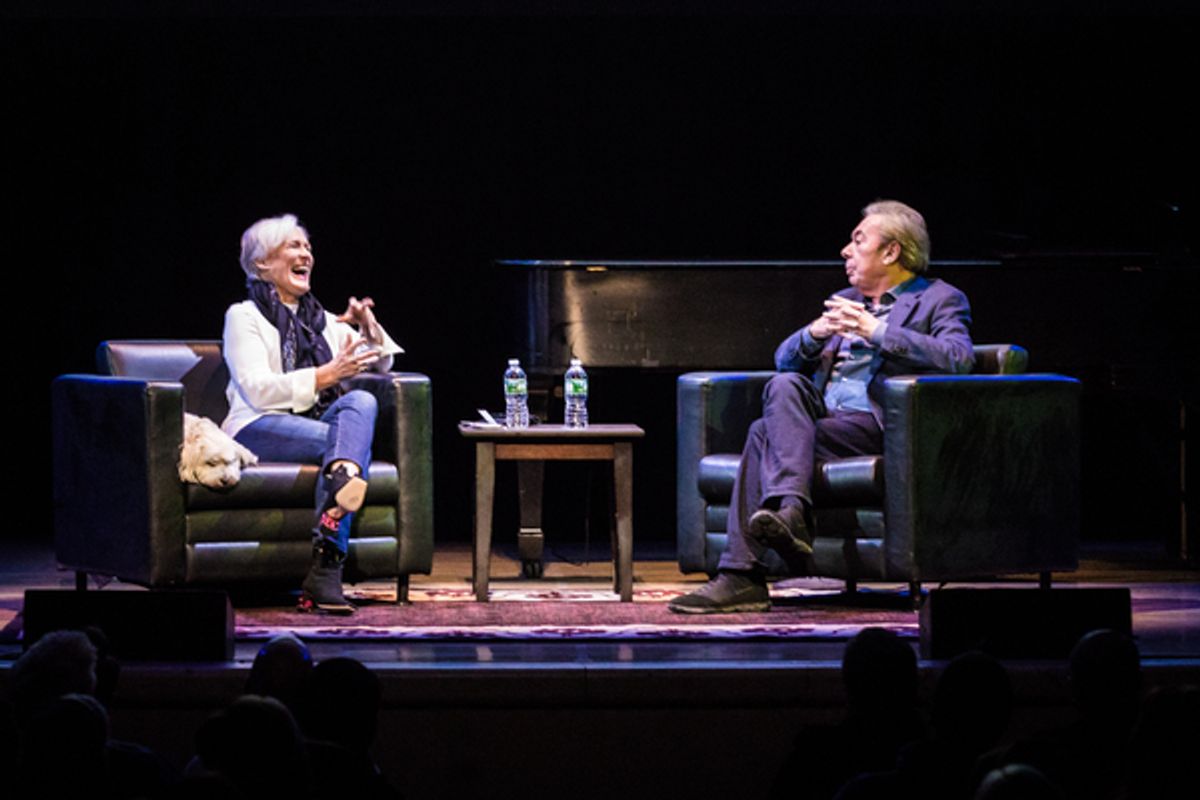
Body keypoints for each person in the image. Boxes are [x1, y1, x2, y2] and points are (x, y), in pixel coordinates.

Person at [670, 200, 973, 613]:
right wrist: (814, 333)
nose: (846, 251)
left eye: (858, 240)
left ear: (891, 252)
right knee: (784, 384)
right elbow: (784, 360)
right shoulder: (843, 299)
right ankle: (787, 515)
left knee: (762, 433)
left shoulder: (939, 298)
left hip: (881, 425)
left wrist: (878, 331)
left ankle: (742, 576)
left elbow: (959, 358)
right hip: (823, 420)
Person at [223, 213, 403, 614]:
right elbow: (257, 388)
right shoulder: (243, 316)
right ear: (262, 264)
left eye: (307, 247)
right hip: (256, 426)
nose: (306, 254)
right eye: (293, 246)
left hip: (309, 426)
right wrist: (324, 376)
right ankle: (328, 564)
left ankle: (341, 481)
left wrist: (369, 327)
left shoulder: (321, 322)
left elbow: (381, 363)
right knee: (353, 449)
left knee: (361, 402)